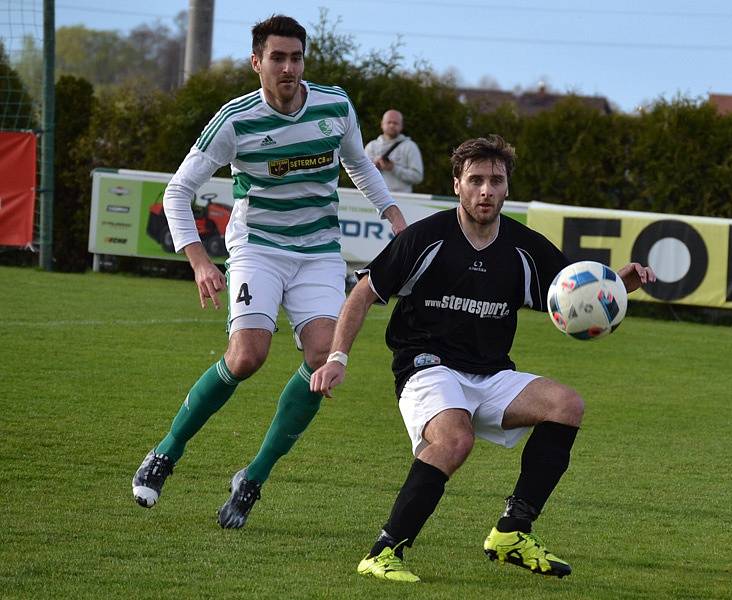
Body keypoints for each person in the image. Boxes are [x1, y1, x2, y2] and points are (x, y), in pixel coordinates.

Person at [310, 135, 655, 582]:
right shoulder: (425, 238)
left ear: (507, 187)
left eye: (495, 180)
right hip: (425, 366)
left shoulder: (524, 246)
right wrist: (337, 357)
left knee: (566, 405)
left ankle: (513, 531)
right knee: (454, 440)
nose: (486, 190)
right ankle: (384, 551)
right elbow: (363, 293)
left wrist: (615, 286)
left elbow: (574, 294)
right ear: (457, 185)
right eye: (475, 180)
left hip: (490, 372)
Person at [131, 14, 407, 529]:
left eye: (296, 58)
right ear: (256, 62)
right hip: (258, 247)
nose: (288, 68)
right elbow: (177, 190)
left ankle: (252, 478)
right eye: (277, 58)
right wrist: (198, 260)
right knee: (247, 356)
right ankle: (166, 452)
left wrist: (392, 215)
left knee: (324, 358)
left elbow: (359, 164)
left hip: (320, 249)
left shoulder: (335, 105)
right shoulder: (235, 120)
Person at [364, 109, 424, 193]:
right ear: (382, 124)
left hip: (402, 199)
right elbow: (361, 174)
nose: (392, 125)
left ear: (401, 126)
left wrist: (393, 168)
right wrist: (375, 166)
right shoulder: (371, 146)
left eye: (395, 123)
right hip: (375, 198)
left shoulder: (410, 146)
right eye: (389, 122)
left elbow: (418, 177)